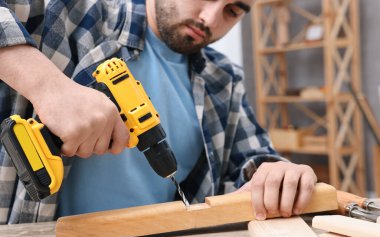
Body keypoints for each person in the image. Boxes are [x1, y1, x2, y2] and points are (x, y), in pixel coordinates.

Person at [0, 0, 317, 224]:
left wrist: (275, 174)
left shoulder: (224, 80)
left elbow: (252, 163)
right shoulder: (74, 13)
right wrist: (49, 87)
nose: (209, 18)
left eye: (232, 11)